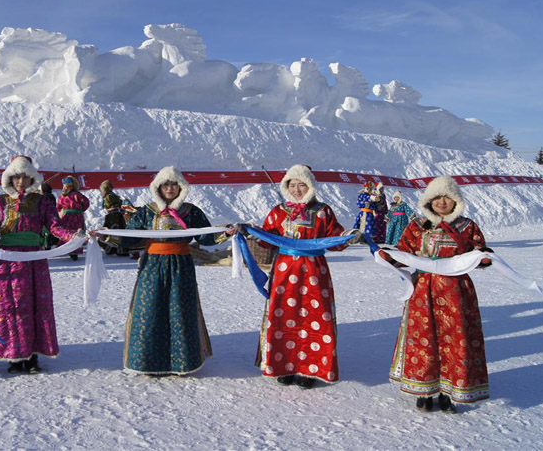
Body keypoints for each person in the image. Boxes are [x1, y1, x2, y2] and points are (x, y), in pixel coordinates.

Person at [0, 156, 80, 374]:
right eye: (16, 177)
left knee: (33, 307)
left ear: (32, 178)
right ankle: (12, 355)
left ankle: (32, 356)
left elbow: (55, 226)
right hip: (6, 261)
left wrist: (75, 236)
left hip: (34, 262)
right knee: (8, 308)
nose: (21, 182)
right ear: (9, 179)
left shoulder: (43, 202)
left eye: (25, 177)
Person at [380, 176, 492, 413]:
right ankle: (424, 389)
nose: (442, 202)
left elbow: (479, 253)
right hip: (422, 290)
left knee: (454, 340)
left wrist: (484, 259)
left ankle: (449, 392)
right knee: (423, 339)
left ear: (456, 202)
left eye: (448, 198)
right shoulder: (417, 226)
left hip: (456, 293)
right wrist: (389, 258)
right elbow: (404, 254)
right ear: (428, 200)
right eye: (437, 197)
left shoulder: (466, 227)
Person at [254, 164, 359, 388]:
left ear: (310, 185)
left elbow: (335, 237)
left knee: (314, 317)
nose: (297, 189)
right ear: (286, 186)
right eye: (292, 184)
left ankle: (310, 369)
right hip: (285, 271)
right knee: (284, 316)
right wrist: (251, 231)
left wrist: (348, 236)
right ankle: (283, 366)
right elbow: (266, 239)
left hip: (314, 271)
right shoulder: (278, 211)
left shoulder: (323, 210)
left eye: (301, 184)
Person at [121, 166, 232, 376]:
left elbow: (205, 237)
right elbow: (130, 236)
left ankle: (181, 362)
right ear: (158, 187)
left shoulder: (191, 211)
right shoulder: (147, 211)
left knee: (179, 309)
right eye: (165, 184)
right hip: (152, 265)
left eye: (174, 184)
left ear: (181, 187)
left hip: (181, 265)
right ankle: (148, 363)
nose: (170, 188)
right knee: (149, 309)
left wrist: (224, 233)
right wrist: (105, 235)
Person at [56, 175, 89, 260]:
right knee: (77, 233)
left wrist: (62, 212)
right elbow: (86, 203)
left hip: (66, 217)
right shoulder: (78, 195)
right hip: (77, 217)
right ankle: (75, 251)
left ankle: (65, 249)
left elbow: (58, 207)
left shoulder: (62, 197)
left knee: (67, 232)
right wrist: (81, 210)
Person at [39, 181, 60, 250]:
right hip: (51, 216)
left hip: (45, 216)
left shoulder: (45, 197)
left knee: (46, 232)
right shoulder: (51, 196)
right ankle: (48, 245)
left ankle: (46, 245)